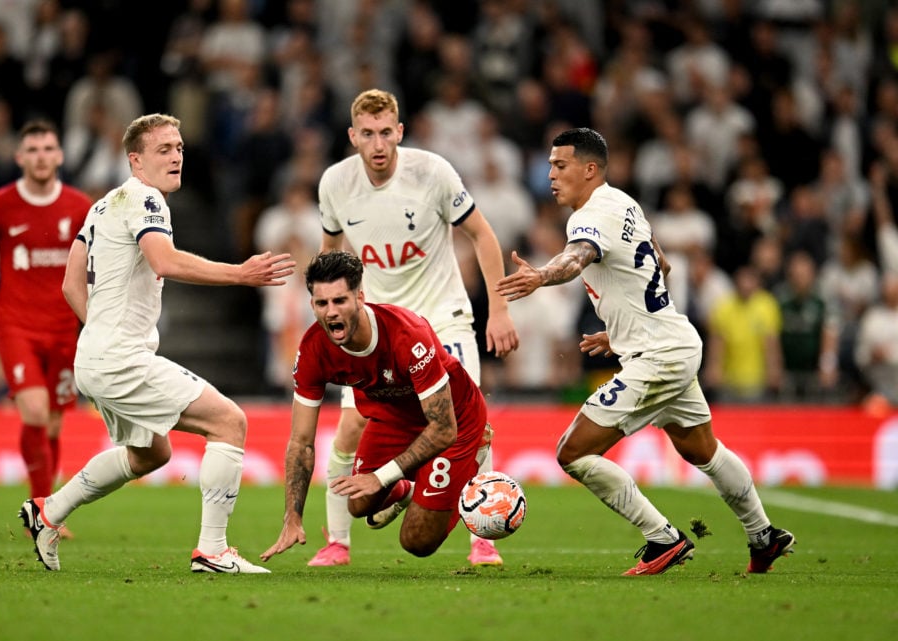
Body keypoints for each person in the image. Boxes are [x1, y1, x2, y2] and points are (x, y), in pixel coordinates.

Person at [496, 127, 794, 575]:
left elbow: (576, 257)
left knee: (572, 453)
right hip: (673, 341)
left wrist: (541, 276)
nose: (551, 175)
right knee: (701, 450)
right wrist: (622, 333)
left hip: (658, 356)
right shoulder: (627, 204)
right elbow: (661, 263)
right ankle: (763, 535)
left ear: (590, 169)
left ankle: (663, 539)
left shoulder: (589, 216)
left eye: (560, 166)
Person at [18, 113, 295, 574]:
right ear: (136, 160)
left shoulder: (103, 205)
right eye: (163, 149)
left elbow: (71, 285)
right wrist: (240, 274)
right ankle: (213, 550)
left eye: (180, 147)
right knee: (230, 422)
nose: (176, 156)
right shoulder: (146, 198)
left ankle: (48, 513)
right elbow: (163, 261)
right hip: (120, 357)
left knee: (152, 453)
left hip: (96, 355)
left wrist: (100, 332)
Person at [310, 88, 519, 567]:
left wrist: (500, 309)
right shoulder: (335, 183)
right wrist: (329, 317)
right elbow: (329, 254)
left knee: (473, 425)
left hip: (442, 317)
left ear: (400, 132)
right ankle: (338, 542)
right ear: (352, 136)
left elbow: (482, 235)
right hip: (376, 329)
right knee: (348, 429)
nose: (379, 144)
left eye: (387, 133)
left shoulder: (433, 173)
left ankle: (481, 538)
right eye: (368, 134)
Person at [261, 251, 489, 564]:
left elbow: (443, 428)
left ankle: (470, 462)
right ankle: (409, 490)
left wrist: (380, 477)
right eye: (321, 303)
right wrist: (292, 517)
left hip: (454, 422)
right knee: (358, 504)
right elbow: (301, 442)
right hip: (392, 419)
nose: (331, 312)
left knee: (417, 542)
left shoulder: (407, 334)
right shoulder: (313, 349)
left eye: (340, 301)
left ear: (360, 298)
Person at [0, 120, 92, 527]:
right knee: (34, 409)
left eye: (48, 148)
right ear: (19, 157)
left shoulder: (80, 207)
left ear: (60, 156)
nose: (42, 156)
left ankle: (45, 508)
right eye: (33, 149)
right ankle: (45, 512)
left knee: (54, 421)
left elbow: (96, 265)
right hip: (15, 325)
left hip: (64, 328)